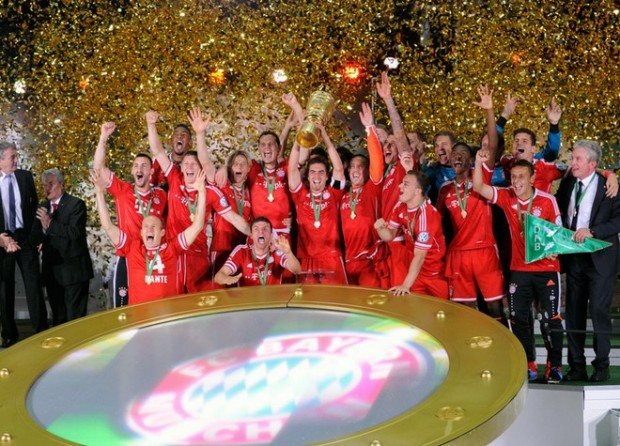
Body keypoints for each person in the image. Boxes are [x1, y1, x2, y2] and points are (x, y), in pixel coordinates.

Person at [473, 150, 563, 383]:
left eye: (521, 176)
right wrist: (478, 162)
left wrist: (553, 247)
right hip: (519, 270)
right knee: (517, 318)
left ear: (532, 178)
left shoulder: (547, 200)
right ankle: (528, 364)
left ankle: (554, 365)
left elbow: (558, 233)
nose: (516, 181)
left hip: (546, 269)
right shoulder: (506, 196)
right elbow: (479, 187)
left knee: (550, 318)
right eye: (513, 177)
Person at [146, 110, 250, 291]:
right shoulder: (175, 177)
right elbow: (158, 151)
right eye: (186, 164)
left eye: (194, 164)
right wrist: (151, 125)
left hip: (197, 255)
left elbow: (234, 218)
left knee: (196, 302)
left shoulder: (211, 192)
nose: (189, 167)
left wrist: (254, 234)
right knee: (172, 301)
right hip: (173, 252)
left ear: (201, 169)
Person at [437, 86, 505, 321]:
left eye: (463, 154)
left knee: (495, 309)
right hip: (458, 254)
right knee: (462, 312)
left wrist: (489, 110)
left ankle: (502, 344)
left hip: (484, 251)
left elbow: (493, 146)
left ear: (471, 159)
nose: (458, 157)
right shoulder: (445, 190)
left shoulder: (481, 176)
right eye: (455, 154)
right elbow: (439, 225)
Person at [556, 140, 620, 383]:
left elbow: (618, 220)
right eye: (572, 158)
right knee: (574, 311)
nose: (572, 163)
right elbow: (558, 208)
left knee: (599, 311)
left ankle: (601, 366)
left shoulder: (608, 185)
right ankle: (577, 366)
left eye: (577, 159)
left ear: (592, 165)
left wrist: (593, 231)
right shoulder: (568, 182)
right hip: (574, 257)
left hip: (601, 259)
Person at [93, 169, 208, 303]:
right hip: (141, 314)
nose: (149, 230)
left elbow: (198, 225)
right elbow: (107, 225)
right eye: (146, 227)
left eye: (154, 227)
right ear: (141, 233)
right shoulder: (132, 247)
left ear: (162, 232)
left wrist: (202, 192)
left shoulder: (172, 248)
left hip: (168, 312)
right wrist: (99, 192)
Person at [93, 122, 167, 307]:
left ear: (151, 171)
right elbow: (98, 168)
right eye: (136, 166)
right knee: (123, 309)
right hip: (127, 254)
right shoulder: (123, 190)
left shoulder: (161, 195)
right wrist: (103, 137)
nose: (139, 169)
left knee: (152, 307)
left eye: (144, 166)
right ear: (132, 171)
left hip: (153, 258)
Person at [0, 142, 48, 347]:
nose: (16, 160)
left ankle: (42, 332)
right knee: (5, 289)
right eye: (12, 157)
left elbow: (35, 209)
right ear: (0, 160)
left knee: (34, 285)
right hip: (3, 242)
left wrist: (36, 238)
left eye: (16, 156)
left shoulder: (25, 177)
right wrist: (1, 238)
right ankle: (9, 335)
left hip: (26, 239)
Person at [31, 169, 93, 325]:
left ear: (61, 184)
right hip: (52, 273)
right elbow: (34, 237)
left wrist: (49, 224)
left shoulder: (76, 204)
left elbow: (74, 233)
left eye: (50, 184)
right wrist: (41, 234)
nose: (47, 188)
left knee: (75, 322)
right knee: (58, 321)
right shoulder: (43, 207)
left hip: (73, 273)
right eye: (44, 185)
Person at [288, 123, 347, 284]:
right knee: (307, 299)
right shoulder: (300, 195)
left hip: (331, 257)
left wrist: (325, 137)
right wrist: (299, 139)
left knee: (337, 298)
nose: (317, 176)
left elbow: (339, 169)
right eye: (313, 172)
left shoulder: (334, 194)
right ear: (307, 176)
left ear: (327, 176)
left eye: (321, 172)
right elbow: (292, 169)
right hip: (306, 258)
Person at [375, 171, 449, 298]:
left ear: (417, 191)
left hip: (434, 275)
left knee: (442, 309)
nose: (399, 186)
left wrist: (405, 285)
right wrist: (380, 229)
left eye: (405, 184)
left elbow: (420, 256)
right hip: (415, 273)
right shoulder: (400, 206)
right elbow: (390, 236)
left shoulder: (427, 215)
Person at [340, 102, 384, 287]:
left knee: (370, 302)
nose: (355, 170)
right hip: (348, 262)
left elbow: (377, 162)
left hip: (369, 260)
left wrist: (369, 129)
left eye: (360, 167)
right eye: (352, 167)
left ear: (367, 171)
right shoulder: (343, 196)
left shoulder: (372, 189)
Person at [214, 217, 301, 286]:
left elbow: (297, 270)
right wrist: (228, 279)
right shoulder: (242, 251)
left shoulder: (277, 251)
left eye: (265, 229)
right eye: (256, 229)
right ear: (251, 235)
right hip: (248, 301)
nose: (261, 232)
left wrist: (288, 253)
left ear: (271, 235)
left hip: (272, 300)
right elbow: (218, 277)